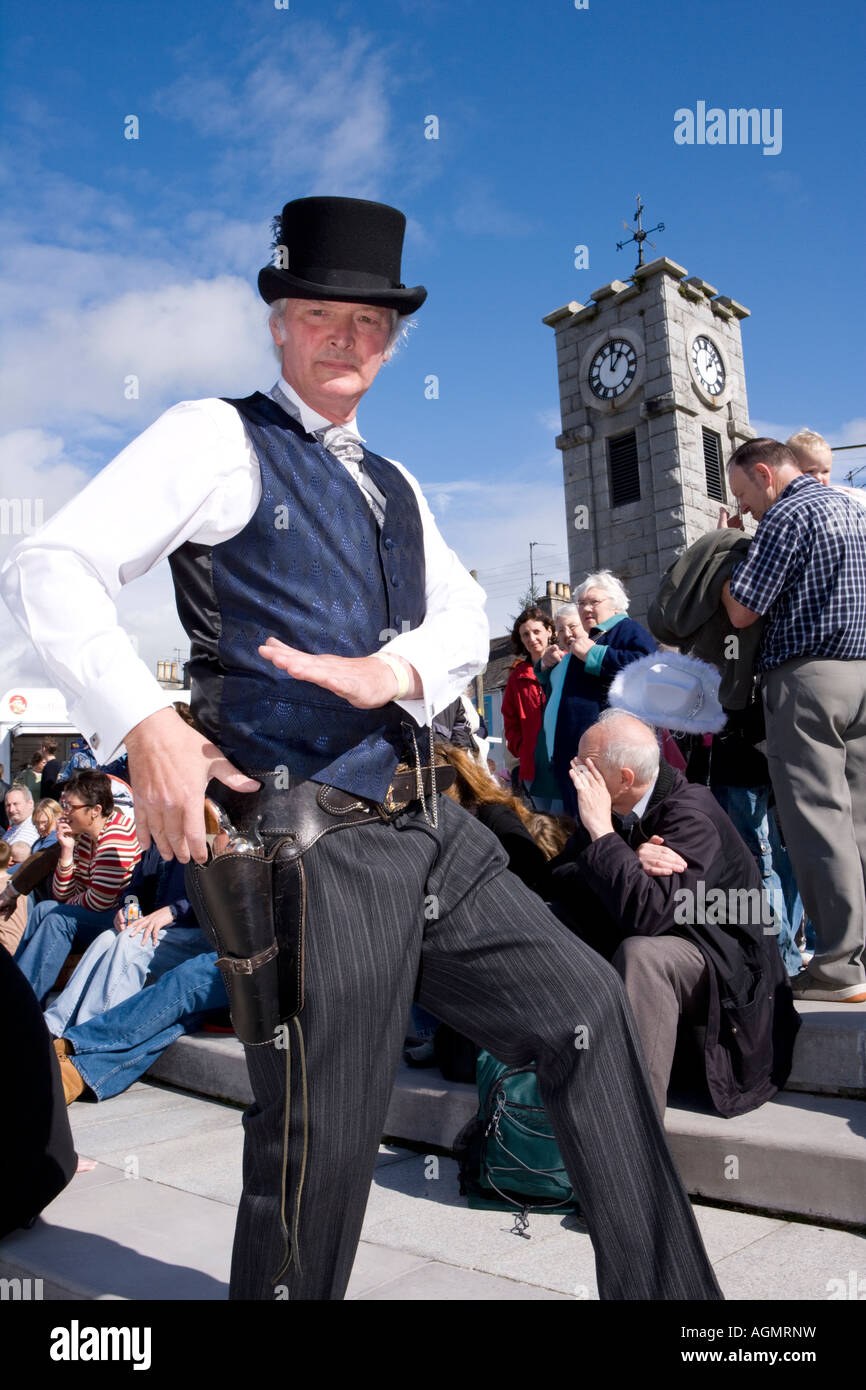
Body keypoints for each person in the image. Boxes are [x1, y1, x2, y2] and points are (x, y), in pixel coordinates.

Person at [1, 194, 721, 1301]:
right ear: (279, 320)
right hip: (313, 852)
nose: (347, 338)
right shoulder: (214, 437)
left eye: (372, 323)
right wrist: (141, 725)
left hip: (436, 828)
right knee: (319, 1142)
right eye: (322, 314)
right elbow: (55, 562)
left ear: (392, 341)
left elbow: (462, 602)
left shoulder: (394, 480)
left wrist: (395, 671)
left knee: (588, 1015)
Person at [549, 708, 799, 1119]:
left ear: (624, 778)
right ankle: (534, 1080)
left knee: (642, 956)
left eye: (586, 766)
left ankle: (632, 1133)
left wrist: (604, 838)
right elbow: (558, 877)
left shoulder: (690, 815)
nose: (575, 772)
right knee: (553, 916)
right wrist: (623, 854)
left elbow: (648, 915)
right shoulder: (613, 807)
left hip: (727, 965)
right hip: (680, 943)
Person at [721, 437, 866, 1002]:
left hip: (808, 679)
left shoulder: (788, 513)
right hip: (860, 672)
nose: (748, 506)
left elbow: (741, 608)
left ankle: (836, 967)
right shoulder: (848, 507)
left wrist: (735, 543)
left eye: (745, 493)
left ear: (765, 474)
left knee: (816, 822)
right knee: (857, 821)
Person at [13, 770, 141, 1006]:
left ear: (95, 810)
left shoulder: (116, 836)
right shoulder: (84, 836)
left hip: (122, 917)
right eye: (64, 804)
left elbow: (99, 902)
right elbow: (61, 894)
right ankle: (12, 985)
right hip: (99, 911)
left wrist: (65, 905)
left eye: (70, 806)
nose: (64, 813)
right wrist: (67, 850)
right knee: (44, 909)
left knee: (57, 917)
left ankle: (22, 1004)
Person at [538, 574, 656, 816]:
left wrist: (596, 655)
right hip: (577, 756)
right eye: (581, 603)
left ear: (615, 604)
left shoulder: (626, 629)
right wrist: (544, 669)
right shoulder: (592, 638)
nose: (586, 608)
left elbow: (647, 667)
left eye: (593, 602)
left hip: (605, 757)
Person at [501, 605, 560, 810]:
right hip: (533, 767)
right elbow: (510, 720)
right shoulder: (517, 677)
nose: (531, 638)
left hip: (563, 762)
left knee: (566, 823)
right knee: (544, 824)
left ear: (549, 632)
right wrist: (522, 748)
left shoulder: (565, 664)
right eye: (525, 634)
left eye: (536, 632)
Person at [786, 428, 866, 508]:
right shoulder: (787, 502)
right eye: (810, 471)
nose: (819, 477)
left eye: (825, 471)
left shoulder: (837, 497)